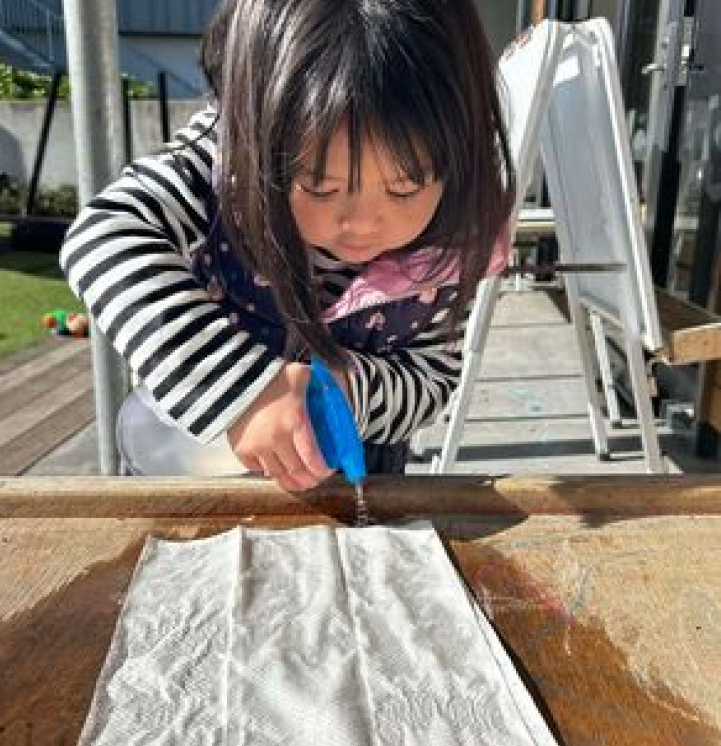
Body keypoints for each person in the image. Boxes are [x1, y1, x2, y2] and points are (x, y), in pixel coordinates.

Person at [60, 0, 515, 492]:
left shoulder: (451, 243)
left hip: (355, 483)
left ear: (460, 154)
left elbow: (431, 379)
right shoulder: (221, 162)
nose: (360, 223)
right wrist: (243, 391)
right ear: (256, 138)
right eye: (319, 188)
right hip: (199, 467)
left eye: (404, 188)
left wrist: (346, 390)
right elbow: (104, 233)